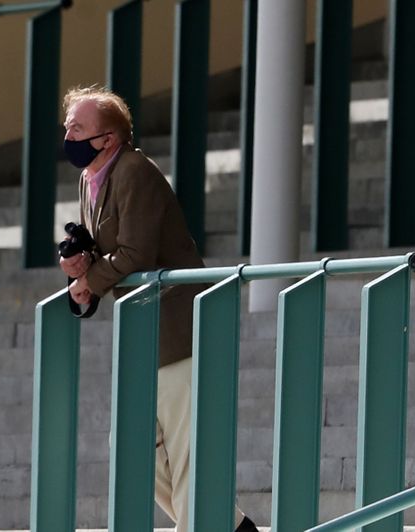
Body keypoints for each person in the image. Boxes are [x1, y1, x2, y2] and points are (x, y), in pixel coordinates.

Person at [58, 85, 259, 532]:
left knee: (187, 455)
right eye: (67, 125)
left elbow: (135, 254)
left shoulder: (134, 171)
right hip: (145, 333)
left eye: (78, 127)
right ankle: (230, 525)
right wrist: (79, 265)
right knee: (129, 447)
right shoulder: (91, 179)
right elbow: (109, 251)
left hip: (178, 326)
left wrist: (90, 280)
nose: (68, 133)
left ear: (108, 138)